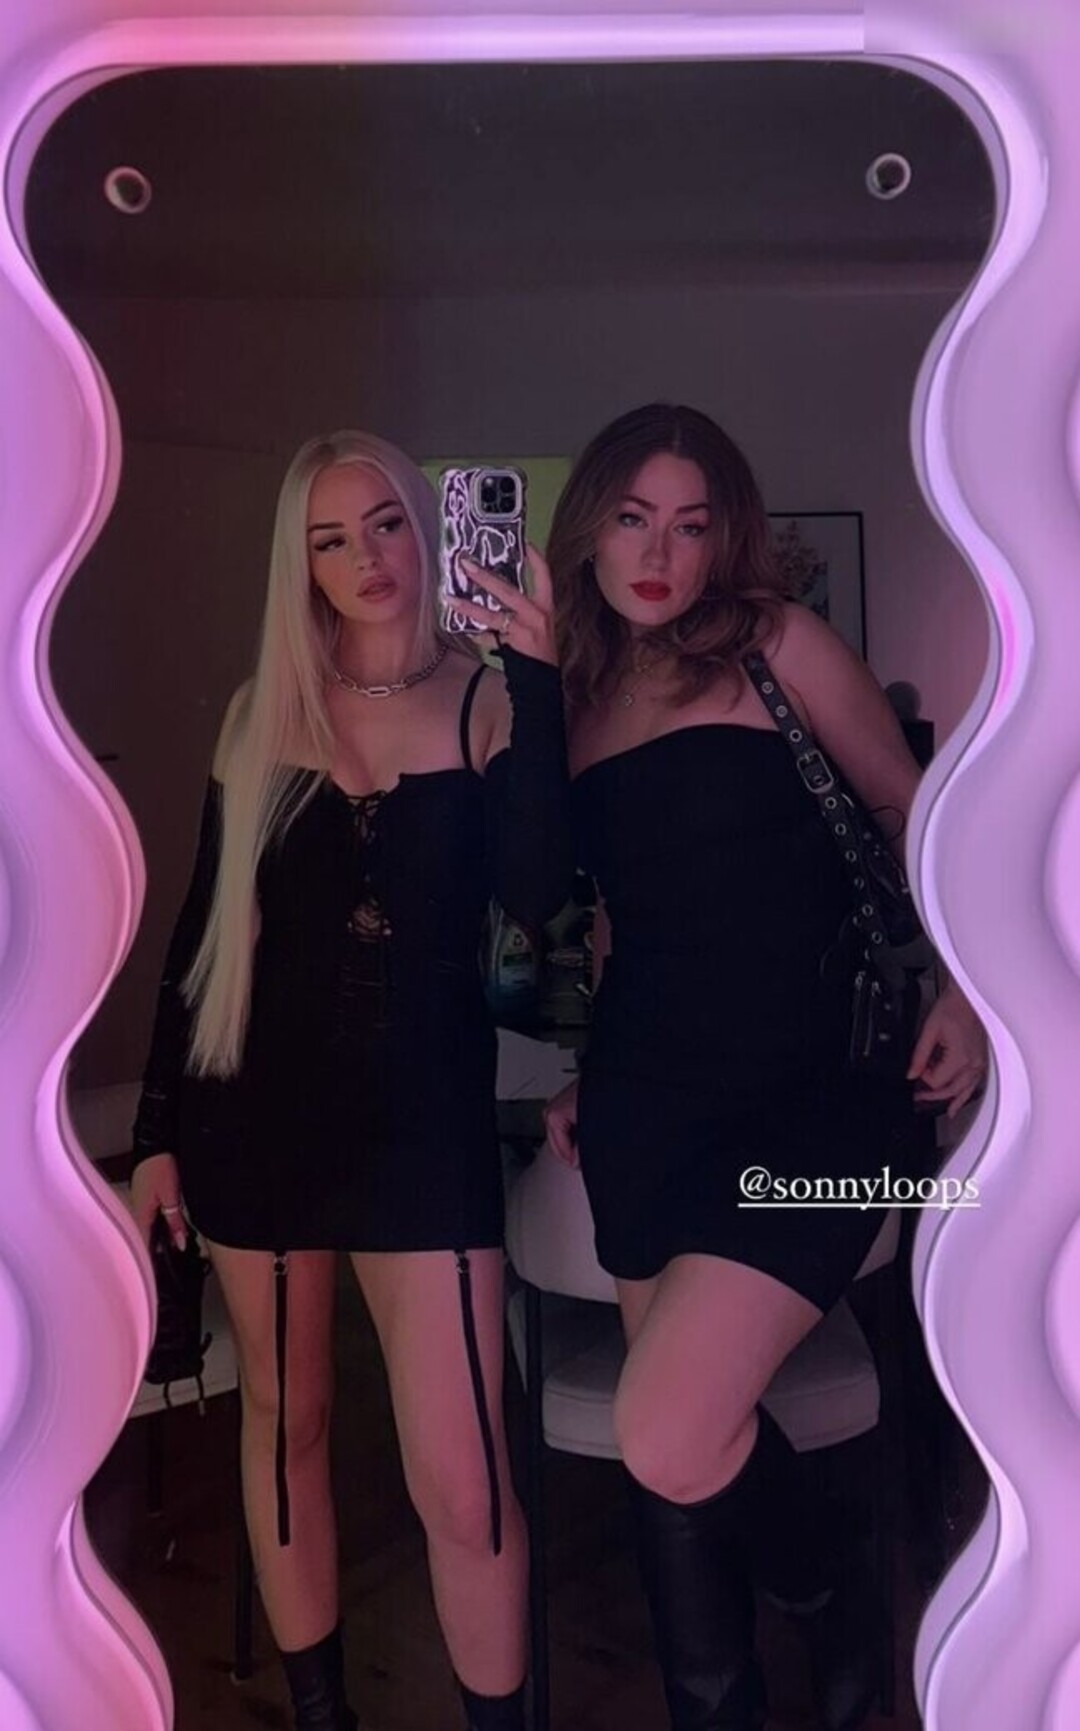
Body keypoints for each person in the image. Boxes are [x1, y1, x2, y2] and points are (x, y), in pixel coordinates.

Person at [543, 403, 987, 1731]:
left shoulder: (774, 646)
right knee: (673, 1455)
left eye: (690, 525)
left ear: (726, 535)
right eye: (634, 519)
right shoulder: (570, 697)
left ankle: (839, 1593)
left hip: (817, 1095)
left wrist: (969, 987)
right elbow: (620, 918)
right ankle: (716, 1705)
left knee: (667, 1428)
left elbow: (919, 810)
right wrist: (586, 1067)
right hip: (646, 1102)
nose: (659, 553)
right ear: (591, 530)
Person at [129, 431, 571, 1731]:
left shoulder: (486, 701)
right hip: (259, 1126)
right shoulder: (260, 713)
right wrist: (156, 1131)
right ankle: (325, 1720)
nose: (366, 557)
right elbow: (206, 940)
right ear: (302, 565)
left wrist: (540, 681)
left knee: (468, 1480)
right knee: (288, 1428)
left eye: (383, 523)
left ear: (424, 528)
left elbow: (540, 894)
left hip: (427, 1132)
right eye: (330, 539)